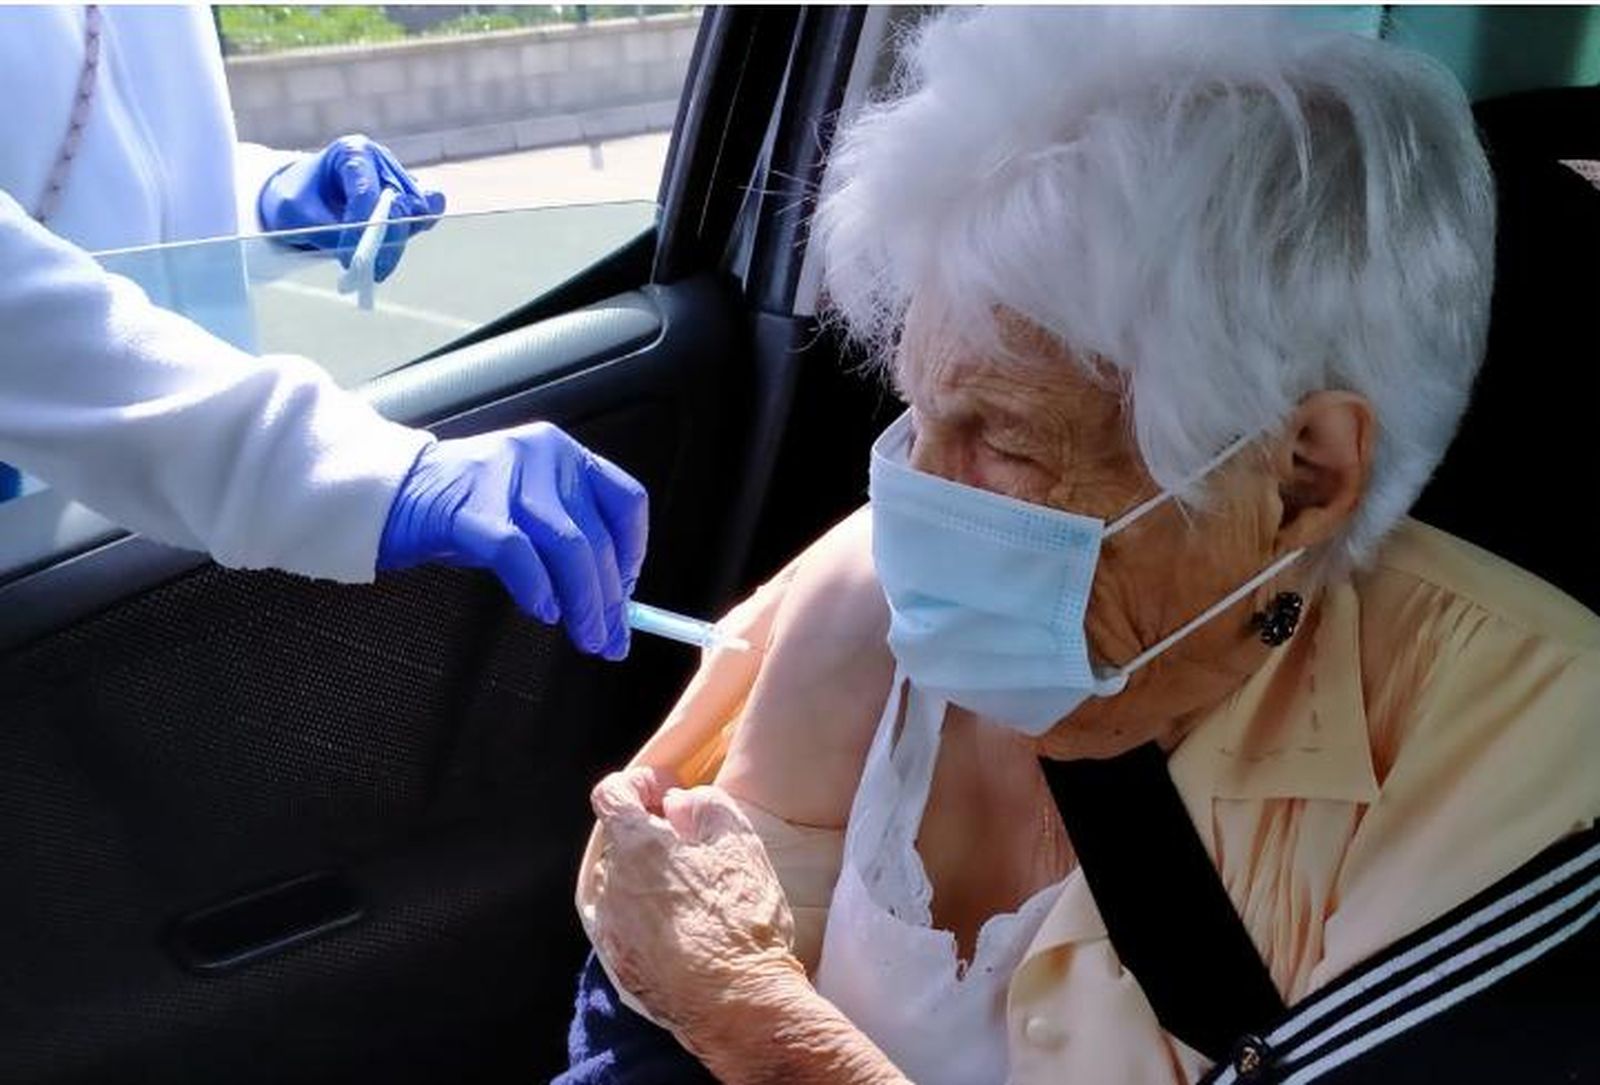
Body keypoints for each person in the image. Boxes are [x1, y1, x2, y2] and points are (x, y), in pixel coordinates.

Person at [571, 8, 1600, 1082]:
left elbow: (715, 988)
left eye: (1004, 440)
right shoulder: (869, 585)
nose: (915, 502)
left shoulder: (1521, 735)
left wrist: (758, 1021)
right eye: (918, 412)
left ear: (1305, 475)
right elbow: (653, 1008)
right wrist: (699, 988)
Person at [0, 6, 644, 658]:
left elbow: (131, 160)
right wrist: (319, 465)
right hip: (35, 554)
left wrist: (273, 200)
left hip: (174, 524)